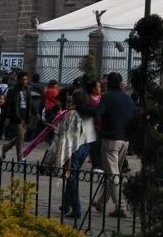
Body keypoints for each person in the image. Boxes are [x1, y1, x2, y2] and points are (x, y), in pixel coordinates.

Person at [92, 72, 136, 218]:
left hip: (110, 139)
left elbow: (97, 112)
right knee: (113, 172)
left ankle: (121, 206)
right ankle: (100, 201)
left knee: (113, 174)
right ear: (121, 83)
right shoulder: (128, 98)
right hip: (125, 140)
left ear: (108, 84)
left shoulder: (107, 97)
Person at [52, 89, 97, 220]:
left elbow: (65, 132)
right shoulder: (88, 112)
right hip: (86, 145)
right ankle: (66, 205)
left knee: (72, 177)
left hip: (74, 147)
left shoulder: (71, 113)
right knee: (72, 175)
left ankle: (76, 209)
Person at [1, 71, 33, 161]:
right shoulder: (12, 91)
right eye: (22, 80)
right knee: (21, 137)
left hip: (25, 117)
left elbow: (29, 102)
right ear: (18, 80)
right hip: (16, 117)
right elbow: (8, 105)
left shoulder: (28, 89)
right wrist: (7, 117)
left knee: (20, 136)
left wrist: (30, 114)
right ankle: (20, 157)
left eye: (25, 79)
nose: (24, 81)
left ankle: (6, 147)